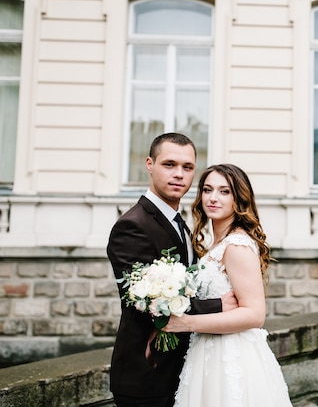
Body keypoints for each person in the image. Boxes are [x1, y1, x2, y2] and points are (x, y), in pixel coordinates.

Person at [107, 133, 237, 407]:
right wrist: (217, 305)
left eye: (187, 167)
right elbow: (144, 303)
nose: (179, 174)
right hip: (147, 374)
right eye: (169, 164)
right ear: (150, 164)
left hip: (182, 370)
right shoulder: (132, 226)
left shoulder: (180, 222)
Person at [163, 163, 292, 407]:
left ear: (239, 199)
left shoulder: (237, 246)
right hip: (207, 352)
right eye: (207, 189)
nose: (213, 198)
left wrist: (187, 323)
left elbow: (255, 314)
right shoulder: (215, 244)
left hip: (232, 356)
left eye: (224, 192)